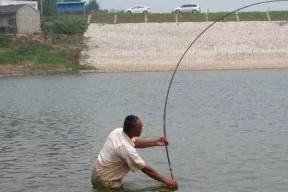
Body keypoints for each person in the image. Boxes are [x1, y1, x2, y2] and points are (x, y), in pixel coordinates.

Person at [91, 115, 178, 190]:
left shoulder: (117, 131)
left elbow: (134, 142)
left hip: (96, 174)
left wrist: (155, 142)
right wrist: (167, 181)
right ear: (132, 131)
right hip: (107, 182)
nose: (142, 129)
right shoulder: (126, 149)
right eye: (140, 128)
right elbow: (145, 169)